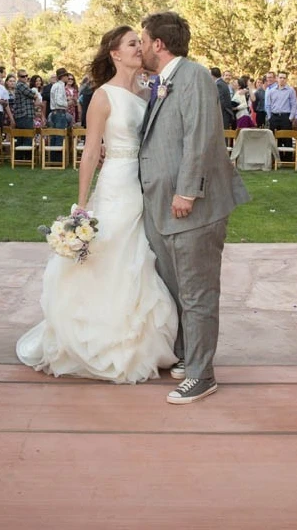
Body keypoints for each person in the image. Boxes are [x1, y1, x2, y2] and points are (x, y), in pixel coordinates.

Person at [16, 26, 178, 383]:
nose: (141, 47)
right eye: (132, 43)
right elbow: (91, 151)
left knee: (140, 255)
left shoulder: (148, 92)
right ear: (115, 54)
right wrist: (82, 203)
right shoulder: (103, 96)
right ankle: (101, 338)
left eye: (140, 42)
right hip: (118, 183)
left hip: (145, 184)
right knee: (112, 252)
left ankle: (141, 337)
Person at [139, 11, 250, 405]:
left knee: (198, 293)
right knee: (178, 288)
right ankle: (188, 356)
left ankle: (202, 376)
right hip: (163, 208)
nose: (140, 45)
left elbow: (201, 136)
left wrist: (187, 192)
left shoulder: (195, 77)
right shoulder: (164, 82)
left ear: (158, 44)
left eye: (143, 38)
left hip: (191, 208)